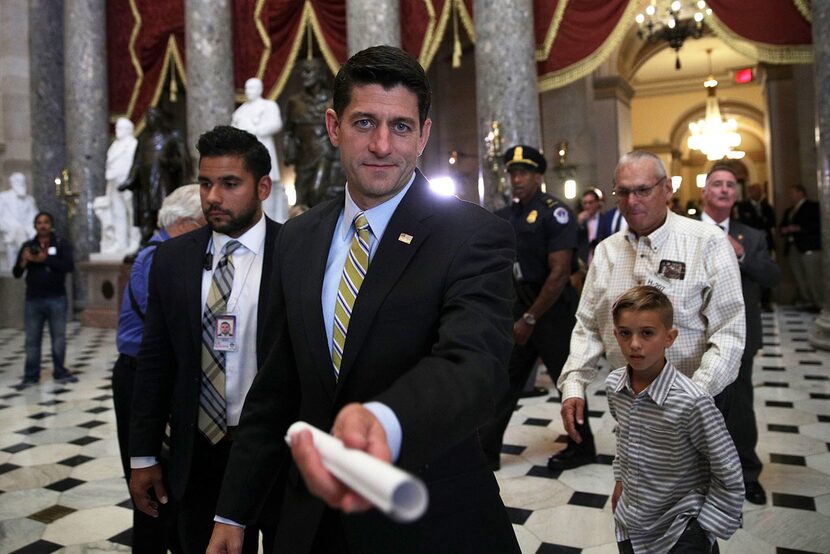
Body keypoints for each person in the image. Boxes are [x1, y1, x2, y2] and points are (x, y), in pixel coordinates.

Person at [208, 45, 520, 554]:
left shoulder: (471, 234)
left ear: (423, 134)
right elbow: (275, 389)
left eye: (400, 127)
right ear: (334, 127)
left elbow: (475, 366)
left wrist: (385, 421)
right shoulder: (296, 238)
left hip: (428, 518)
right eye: (364, 123)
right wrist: (233, 511)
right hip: (312, 524)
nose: (381, 144)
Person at [128, 126, 281, 554]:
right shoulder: (173, 258)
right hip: (198, 453)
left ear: (262, 187)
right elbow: (155, 361)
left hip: (274, 451)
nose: (213, 196)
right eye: (206, 183)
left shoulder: (294, 252)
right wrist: (143, 455)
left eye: (230, 184)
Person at [553, 150, 745, 472]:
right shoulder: (607, 251)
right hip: (631, 401)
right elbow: (587, 324)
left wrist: (694, 395)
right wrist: (574, 384)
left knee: (693, 498)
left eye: (643, 190)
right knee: (637, 490)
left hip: (697, 396)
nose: (632, 201)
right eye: (623, 192)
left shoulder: (706, 242)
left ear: (667, 189)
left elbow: (729, 331)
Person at [607, 285, 743, 553]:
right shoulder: (615, 386)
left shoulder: (692, 400)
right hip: (631, 525)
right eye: (625, 333)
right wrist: (621, 481)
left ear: (669, 337)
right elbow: (624, 439)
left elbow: (728, 469)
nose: (634, 344)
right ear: (616, 335)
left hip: (680, 530)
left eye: (647, 333)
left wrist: (704, 530)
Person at [112, 184, 204, 553]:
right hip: (141, 376)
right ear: (182, 223)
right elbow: (174, 326)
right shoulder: (158, 257)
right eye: (202, 221)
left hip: (154, 373)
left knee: (171, 486)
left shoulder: (165, 251)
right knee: (153, 489)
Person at [478, 144, 578, 471]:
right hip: (519, 310)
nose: (516, 179)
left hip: (551, 313)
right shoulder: (507, 214)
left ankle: (581, 444)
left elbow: (560, 272)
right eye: (512, 173)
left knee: (568, 382)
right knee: (503, 382)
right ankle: (486, 450)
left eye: (523, 173)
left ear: (538, 175)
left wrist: (532, 316)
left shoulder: (555, 213)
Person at [702, 165, 780, 505]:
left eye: (729, 185)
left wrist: (743, 254)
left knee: (740, 406)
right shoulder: (685, 231)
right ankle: (699, 475)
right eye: (716, 184)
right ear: (705, 190)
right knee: (695, 407)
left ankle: (747, 474)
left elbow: (771, 276)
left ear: (737, 192)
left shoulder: (752, 235)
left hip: (739, 336)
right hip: (693, 334)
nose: (723, 189)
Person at [12, 212, 75, 387]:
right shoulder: (28, 246)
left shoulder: (61, 244)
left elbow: (68, 266)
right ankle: (31, 376)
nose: (42, 226)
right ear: (35, 226)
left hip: (56, 298)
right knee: (32, 340)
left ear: (51, 224)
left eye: (46, 222)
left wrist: (45, 259)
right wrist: (24, 262)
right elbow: (16, 273)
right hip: (33, 300)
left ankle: (60, 371)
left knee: (58, 338)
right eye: (39, 223)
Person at [119, 106, 190, 245]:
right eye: (147, 117)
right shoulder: (144, 139)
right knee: (146, 213)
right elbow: (137, 162)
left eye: (152, 116)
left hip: (165, 182)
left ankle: (168, 241)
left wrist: (169, 162)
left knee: (163, 211)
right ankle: (145, 243)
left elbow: (184, 160)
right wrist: (130, 180)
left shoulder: (171, 136)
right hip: (145, 183)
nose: (149, 120)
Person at [282, 57, 345, 206]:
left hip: (325, 154)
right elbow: (288, 131)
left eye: (308, 71)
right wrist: (288, 151)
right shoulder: (295, 102)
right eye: (302, 72)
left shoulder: (332, 100)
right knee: (302, 198)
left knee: (318, 192)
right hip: (304, 156)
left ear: (320, 74)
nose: (304, 75)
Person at [232, 77, 289, 223]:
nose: (248, 91)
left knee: (268, 184)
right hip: (245, 152)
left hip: (264, 147)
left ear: (259, 89)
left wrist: (256, 129)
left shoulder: (269, 106)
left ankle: (271, 219)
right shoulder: (241, 110)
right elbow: (233, 129)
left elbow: (276, 124)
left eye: (251, 88)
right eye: (246, 88)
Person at [102, 117, 140, 254]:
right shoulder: (114, 145)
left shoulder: (133, 144)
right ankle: (120, 242)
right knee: (118, 212)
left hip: (128, 183)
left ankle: (135, 240)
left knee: (132, 212)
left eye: (120, 128)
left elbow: (136, 165)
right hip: (113, 181)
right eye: (117, 128)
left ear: (128, 130)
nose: (117, 130)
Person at [780, 184, 822, 311]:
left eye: (792, 193)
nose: (790, 196)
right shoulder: (789, 210)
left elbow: (817, 224)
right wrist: (784, 229)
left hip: (809, 247)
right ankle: (807, 301)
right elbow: (782, 225)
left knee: (812, 276)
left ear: (800, 193)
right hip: (793, 247)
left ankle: (818, 302)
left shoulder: (812, 206)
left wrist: (799, 228)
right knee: (799, 276)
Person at [736, 182, 776, 311]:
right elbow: (745, 224)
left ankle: (766, 301)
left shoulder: (766, 206)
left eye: (759, 191)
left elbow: (771, 222)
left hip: (765, 245)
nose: (757, 193)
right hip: (747, 245)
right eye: (754, 190)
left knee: (764, 271)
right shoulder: (743, 207)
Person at [0, 172, 39, 272]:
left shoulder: (30, 199)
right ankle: (26, 261)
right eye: (17, 181)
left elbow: (34, 216)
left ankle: (37, 262)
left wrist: (34, 229)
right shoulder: (3, 197)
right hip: (9, 226)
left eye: (22, 181)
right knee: (19, 231)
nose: (20, 183)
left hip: (26, 226)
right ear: (12, 183)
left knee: (37, 232)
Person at [577, 189, 602, 267]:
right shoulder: (579, 220)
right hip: (584, 261)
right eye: (585, 203)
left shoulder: (605, 219)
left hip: (600, 259)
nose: (587, 206)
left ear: (597, 203)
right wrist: (579, 223)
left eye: (590, 202)